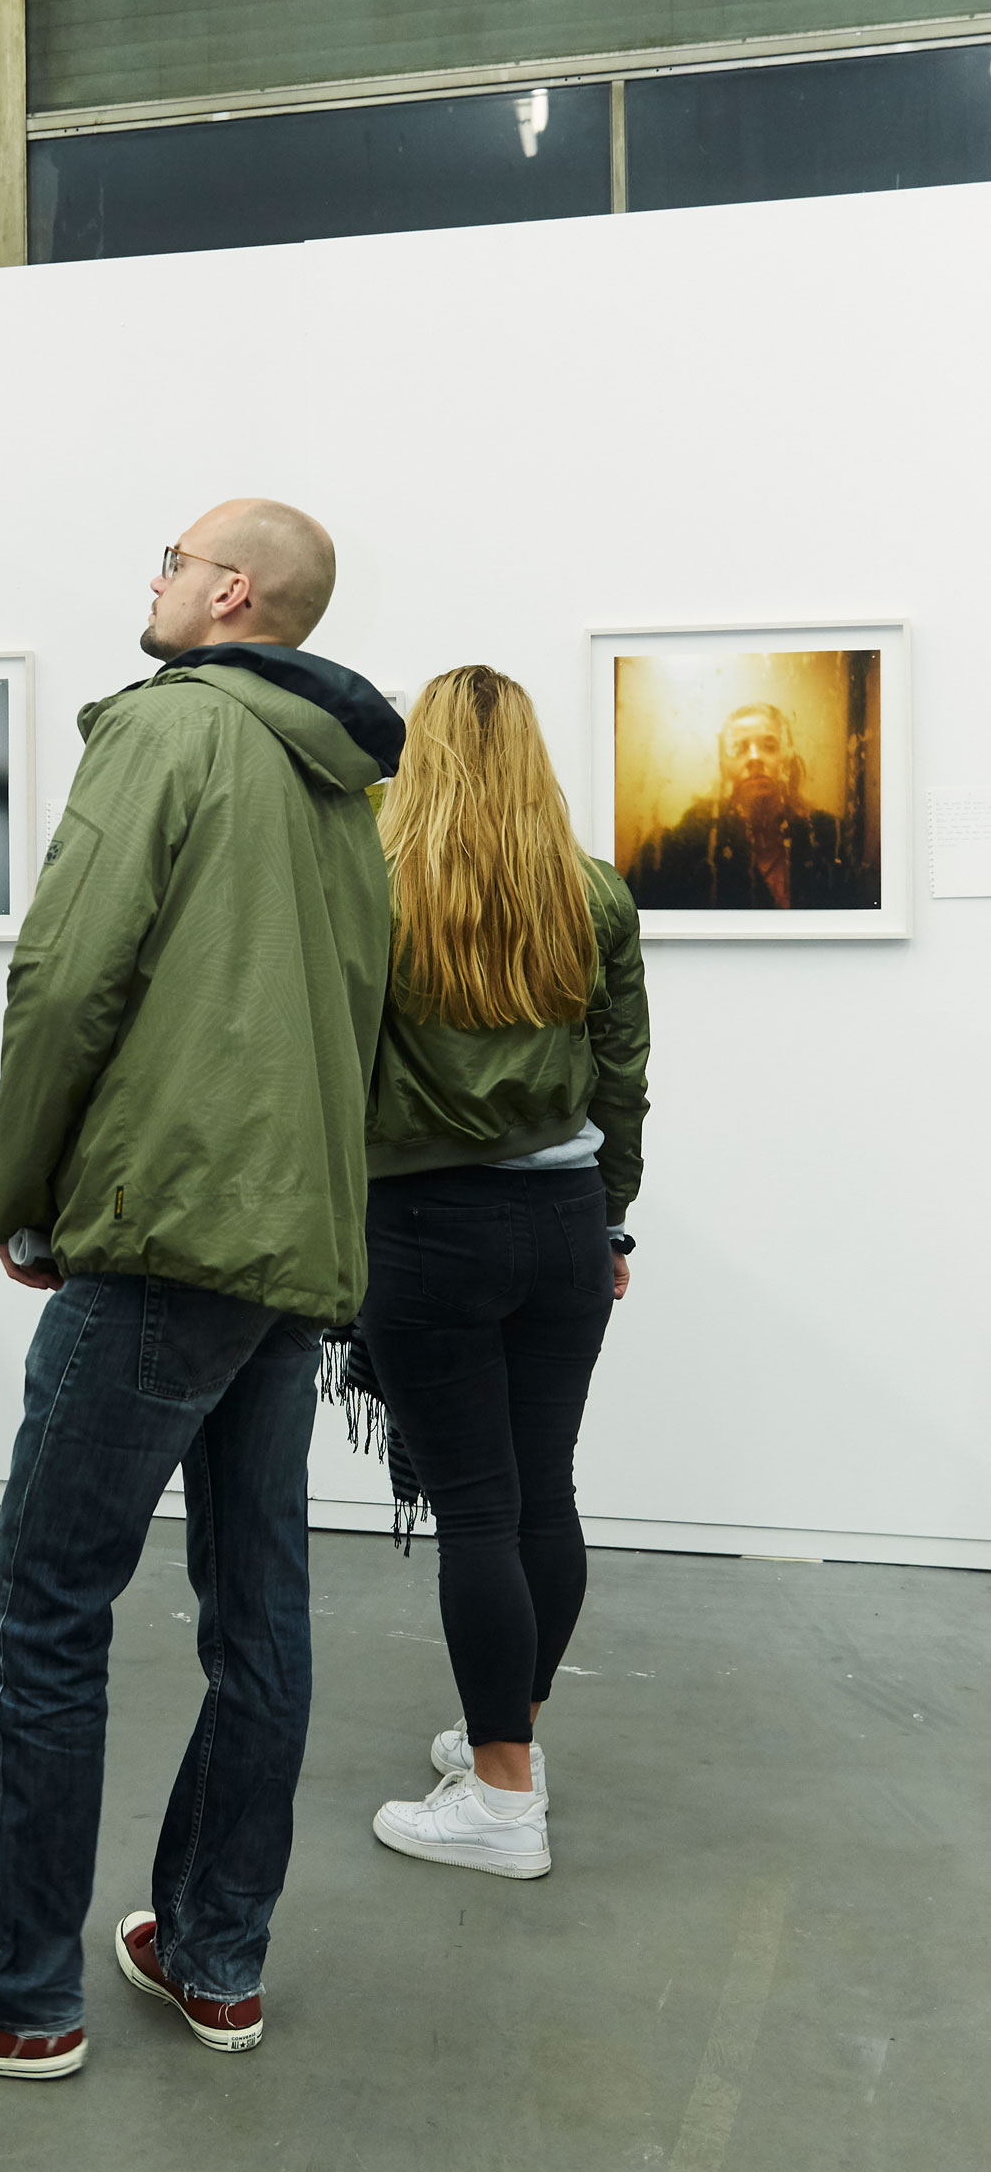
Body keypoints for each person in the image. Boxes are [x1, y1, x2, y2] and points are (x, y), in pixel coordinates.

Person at [0, 500, 404, 2078]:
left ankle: (16, 1995)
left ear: (230, 593)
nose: (151, 579)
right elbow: (363, 1019)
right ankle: (214, 1955)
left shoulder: (166, 728)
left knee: (43, 1606)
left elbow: (65, 974)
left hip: (163, 1233)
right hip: (286, 1249)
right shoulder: (337, 783)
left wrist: (22, 1193)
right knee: (257, 1612)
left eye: (171, 558)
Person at [356, 665, 648, 1881]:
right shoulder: (590, 889)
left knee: (477, 1509)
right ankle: (508, 1736)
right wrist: (611, 1222)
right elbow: (620, 1074)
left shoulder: (372, 882)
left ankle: (499, 1796)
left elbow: (333, 1059)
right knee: (542, 1495)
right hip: (563, 1221)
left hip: (424, 1225)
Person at [625, 698, 872, 911]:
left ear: (787, 759)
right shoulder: (694, 842)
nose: (755, 758)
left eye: (770, 747)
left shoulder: (826, 838)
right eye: (739, 748)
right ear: (723, 766)